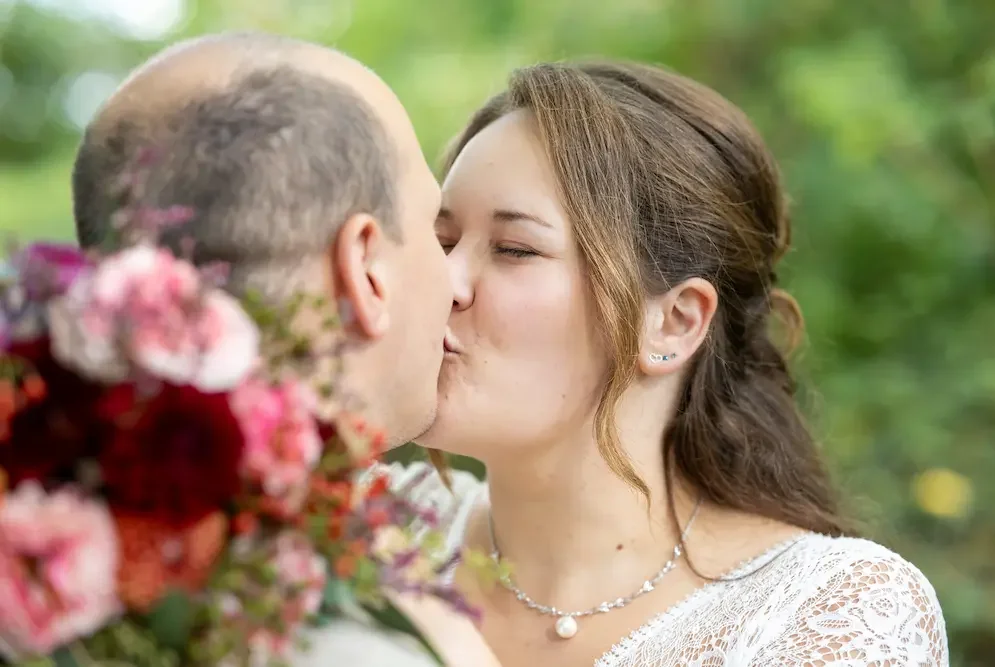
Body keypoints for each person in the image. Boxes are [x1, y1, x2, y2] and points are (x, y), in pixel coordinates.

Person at [392, 60, 950, 666]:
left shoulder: (829, 617)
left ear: (674, 322)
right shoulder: (353, 529)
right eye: (443, 241)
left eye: (515, 249)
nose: (445, 280)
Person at [70, 32, 500, 667]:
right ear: (365, 268)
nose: (456, 284)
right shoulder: (366, 644)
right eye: (436, 234)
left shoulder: (50, 558)